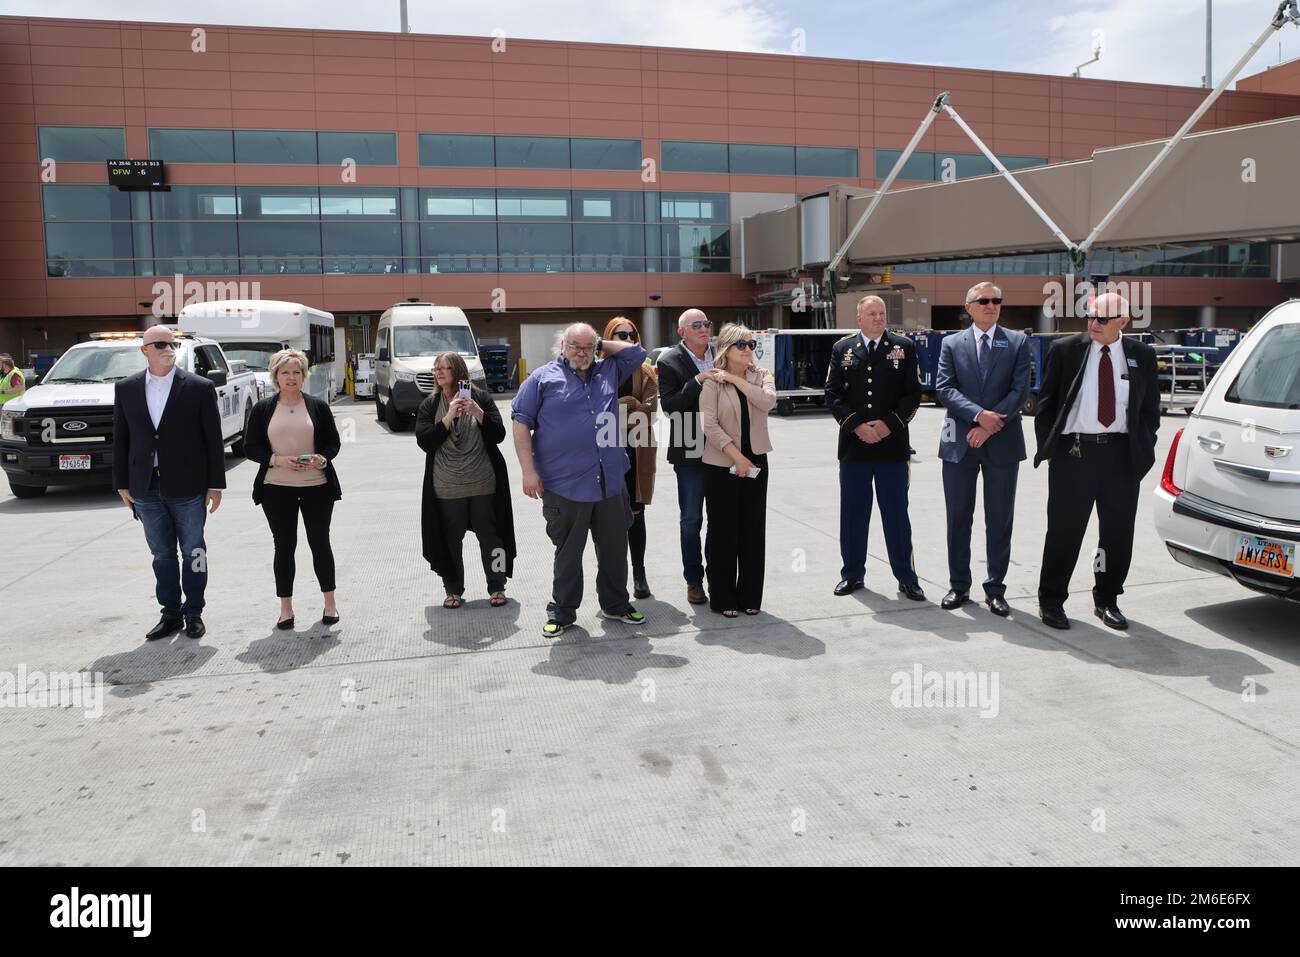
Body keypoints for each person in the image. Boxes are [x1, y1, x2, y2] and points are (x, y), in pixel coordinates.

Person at [1033, 291, 1160, 631]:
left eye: (1102, 319)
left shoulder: (1141, 355)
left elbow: (1150, 411)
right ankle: (1052, 600)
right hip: (1074, 455)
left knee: (1116, 535)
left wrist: (1143, 451)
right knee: (1064, 531)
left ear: (1123, 320)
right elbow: (1045, 405)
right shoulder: (1066, 350)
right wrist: (1049, 450)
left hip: (1120, 457)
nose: (1093, 324)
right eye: (1090, 316)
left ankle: (1106, 598)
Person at [511, 322, 647, 638]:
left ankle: (615, 604)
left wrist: (601, 344)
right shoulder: (542, 379)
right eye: (575, 346)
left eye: (588, 347)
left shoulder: (608, 370)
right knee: (569, 552)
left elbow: (637, 353)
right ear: (563, 346)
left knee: (615, 549)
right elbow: (520, 423)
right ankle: (562, 612)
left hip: (610, 481)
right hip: (564, 484)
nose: (581, 353)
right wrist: (528, 470)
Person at [112, 325, 226, 641]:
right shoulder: (126, 388)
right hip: (145, 487)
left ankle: (194, 612)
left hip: (189, 485)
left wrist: (215, 484)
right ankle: (171, 614)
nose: (167, 348)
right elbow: (121, 438)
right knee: (162, 555)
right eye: (160, 343)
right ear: (144, 350)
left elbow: (213, 440)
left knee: (194, 551)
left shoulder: (199, 387)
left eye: (172, 343)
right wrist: (122, 482)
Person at [935, 282, 1030, 617]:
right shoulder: (951, 343)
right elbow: (944, 387)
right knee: (958, 516)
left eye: (996, 301)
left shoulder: (1017, 341)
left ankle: (995, 588)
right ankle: (959, 585)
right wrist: (978, 416)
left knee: (999, 518)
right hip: (960, 443)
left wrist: (990, 426)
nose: (991, 305)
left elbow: (1021, 389)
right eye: (984, 300)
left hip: (1001, 443)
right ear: (969, 306)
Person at [824, 294, 925, 601]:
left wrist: (887, 425)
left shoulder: (903, 348)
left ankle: (906, 578)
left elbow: (913, 395)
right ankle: (852, 574)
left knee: (896, 514)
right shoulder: (842, 349)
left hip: (891, 448)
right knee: (854, 514)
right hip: (854, 447)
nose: (879, 318)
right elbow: (832, 393)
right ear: (859, 318)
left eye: (881, 313)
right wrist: (856, 425)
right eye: (872, 314)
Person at [243, 348, 342, 630]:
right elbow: (251, 447)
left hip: (317, 487)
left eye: (297, 372)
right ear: (275, 376)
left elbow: (333, 444)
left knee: (320, 543)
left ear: (304, 375)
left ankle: (330, 604)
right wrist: (276, 460)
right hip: (276, 488)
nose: (291, 377)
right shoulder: (264, 409)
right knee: (284, 546)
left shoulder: (318, 406)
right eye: (285, 372)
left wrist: (320, 458)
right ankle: (286, 609)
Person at [416, 351, 516, 609]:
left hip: (484, 483)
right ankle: (453, 590)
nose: (438, 373)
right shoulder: (430, 404)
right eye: (436, 368)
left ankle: (497, 586)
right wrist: (449, 416)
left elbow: (499, 434)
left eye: (445, 368)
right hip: (447, 487)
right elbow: (425, 442)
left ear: (458, 372)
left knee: (492, 538)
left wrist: (477, 411)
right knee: (450, 541)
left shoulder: (480, 397)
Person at [699, 324, 776, 617]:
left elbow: (767, 401)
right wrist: (736, 457)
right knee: (723, 530)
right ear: (726, 348)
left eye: (750, 344)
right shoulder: (711, 382)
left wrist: (735, 378)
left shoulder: (762, 376)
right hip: (722, 464)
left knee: (753, 530)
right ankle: (723, 597)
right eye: (740, 344)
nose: (747, 349)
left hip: (757, 461)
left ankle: (750, 595)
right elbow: (709, 425)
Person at [655, 308, 719, 605]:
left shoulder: (722, 353)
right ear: (682, 332)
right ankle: (694, 580)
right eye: (697, 325)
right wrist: (698, 380)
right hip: (690, 449)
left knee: (721, 518)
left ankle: (719, 576)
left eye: (706, 323)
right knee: (692, 519)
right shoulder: (668, 361)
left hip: (724, 447)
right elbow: (670, 406)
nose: (704, 328)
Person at [603, 316, 658, 600]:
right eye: (619, 334)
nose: (626, 339)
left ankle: (639, 572)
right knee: (609, 517)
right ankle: (614, 577)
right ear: (609, 338)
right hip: (607, 452)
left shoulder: (646, 371)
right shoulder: (599, 371)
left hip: (638, 451)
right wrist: (628, 405)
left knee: (636, 515)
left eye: (631, 334)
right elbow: (600, 414)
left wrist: (620, 408)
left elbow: (649, 410)